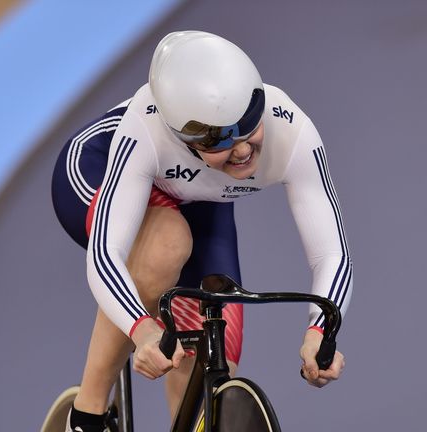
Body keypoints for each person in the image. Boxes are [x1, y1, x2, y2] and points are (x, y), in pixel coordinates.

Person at [50, 30, 350, 431]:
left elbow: (331, 253)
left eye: (248, 123)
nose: (243, 149)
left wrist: (320, 329)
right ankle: (86, 416)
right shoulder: (144, 131)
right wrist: (141, 330)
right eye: (220, 138)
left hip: (200, 198)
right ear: (181, 138)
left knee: (210, 357)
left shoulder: (292, 131)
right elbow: (107, 255)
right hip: (98, 171)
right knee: (165, 246)